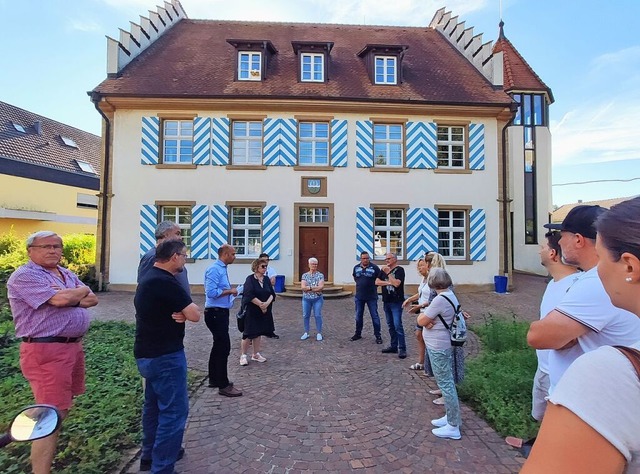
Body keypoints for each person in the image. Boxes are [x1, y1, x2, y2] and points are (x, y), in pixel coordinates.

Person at [522, 196, 640, 472]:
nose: (599, 270)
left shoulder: (607, 370)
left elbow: (540, 336)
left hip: (590, 414)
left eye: (604, 257)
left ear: (629, 267)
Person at [7, 231, 98, 474]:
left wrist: (70, 296)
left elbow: (92, 299)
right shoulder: (25, 275)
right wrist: (70, 295)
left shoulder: (65, 273)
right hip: (45, 349)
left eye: (57, 246)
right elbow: (60, 300)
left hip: (71, 347)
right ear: (30, 250)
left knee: (60, 409)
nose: (53, 250)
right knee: (49, 416)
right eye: (45, 246)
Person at [527, 205, 640, 392]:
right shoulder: (593, 278)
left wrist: (567, 335)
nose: (559, 243)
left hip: (589, 400)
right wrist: (572, 334)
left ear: (578, 240)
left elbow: (538, 336)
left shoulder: (595, 281)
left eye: (562, 236)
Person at [505, 231, 579, 454]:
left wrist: (546, 336)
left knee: (561, 421)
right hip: (545, 365)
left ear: (554, 253)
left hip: (563, 371)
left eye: (543, 247)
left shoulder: (575, 285)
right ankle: (539, 446)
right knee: (541, 415)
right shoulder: (553, 283)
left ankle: (549, 455)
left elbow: (570, 335)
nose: (540, 250)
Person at [134, 239, 200, 474]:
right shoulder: (167, 282)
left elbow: (165, 312)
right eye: (184, 255)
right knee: (173, 413)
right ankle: (162, 468)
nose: (185, 259)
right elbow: (194, 314)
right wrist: (184, 312)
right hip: (166, 356)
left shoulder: (148, 279)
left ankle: (148, 457)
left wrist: (180, 313)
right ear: (174, 257)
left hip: (146, 354)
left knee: (152, 407)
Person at [417, 267, 462, 440]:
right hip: (442, 343)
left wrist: (424, 319)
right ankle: (451, 417)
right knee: (446, 381)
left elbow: (421, 319)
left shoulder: (440, 299)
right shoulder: (449, 295)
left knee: (446, 384)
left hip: (438, 345)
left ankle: (453, 426)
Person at [204, 244, 243, 397]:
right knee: (223, 347)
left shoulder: (221, 269)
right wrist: (230, 291)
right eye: (233, 254)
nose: (234, 257)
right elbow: (211, 292)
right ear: (225, 254)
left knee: (218, 346)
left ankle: (214, 379)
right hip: (215, 313)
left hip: (220, 312)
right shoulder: (214, 269)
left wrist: (233, 293)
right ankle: (223, 384)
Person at [239, 258, 276, 365]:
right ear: (256, 267)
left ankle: (256, 354)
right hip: (252, 310)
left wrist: (266, 304)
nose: (265, 268)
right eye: (263, 266)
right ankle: (243, 355)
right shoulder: (250, 279)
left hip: (264, 311)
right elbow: (249, 295)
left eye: (266, 266)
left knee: (258, 332)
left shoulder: (266, 279)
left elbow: (271, 294)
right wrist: (260, 304)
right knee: (248, 333)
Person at [138, 221, 190, 295]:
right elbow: (145, 288)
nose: (181, 238)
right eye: (177, 233)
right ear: (165, 234)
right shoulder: (152, 257)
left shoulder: (173, 254)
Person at [376, 253, 407, 359]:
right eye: (385, 259)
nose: (386, 261)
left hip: (396, 301)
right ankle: (394, 346)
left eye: (388, 259)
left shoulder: (399, 270)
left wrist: (388, 273)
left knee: (398, 325)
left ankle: (402, 348)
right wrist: (389, 283)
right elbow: (377, 282)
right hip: (387, 301)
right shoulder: (383, 270)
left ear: (395, 259)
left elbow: (397, 284)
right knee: (390, 325)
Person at [402, 258, 430, 369]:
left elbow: (435, 298)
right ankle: (421, 362)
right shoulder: (423, 279)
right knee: (419, 335)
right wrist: (409, 300)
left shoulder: (433, 280)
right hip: (422, 313)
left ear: (428, 266)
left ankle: (428, 363)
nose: (419, 268)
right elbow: (420, 293)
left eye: (422, 265)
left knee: (427, 337)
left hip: (429, 312)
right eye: (418, 266)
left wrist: (420, 306)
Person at [351, 251, 382, 344]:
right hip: (359, 296)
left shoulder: (375, 268)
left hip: (371, 296)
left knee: (375, 316)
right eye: (363, 258)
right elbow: (355, 278)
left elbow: (379, 279)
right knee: (358, 316)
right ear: (361, 259)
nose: (365, 260)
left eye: (367, 258)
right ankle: (358, 333)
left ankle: (378, 335)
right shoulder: (356, 268)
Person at [300, 257, 324, 341]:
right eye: (313, 264)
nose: (314, 265)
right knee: (306, 315)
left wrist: (309, 288)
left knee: (317, 315)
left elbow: (320, 287)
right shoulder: (304, 275)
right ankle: (306, 332)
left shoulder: (320, 275)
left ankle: (319, 333)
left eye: (316, 264)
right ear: (309, 265)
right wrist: (314, 288)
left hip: (317, 299)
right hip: (306, 299)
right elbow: (303, 287)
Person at [258, 252, 279, 338]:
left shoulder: (271, 270)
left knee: (268, 313)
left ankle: (269, 331)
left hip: (268, 294)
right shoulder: (257, 269)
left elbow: (273, 282)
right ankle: (254, 333)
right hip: (259, 294)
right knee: (256, 314)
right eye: (264, 260)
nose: (266, 262)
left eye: (267, 260)